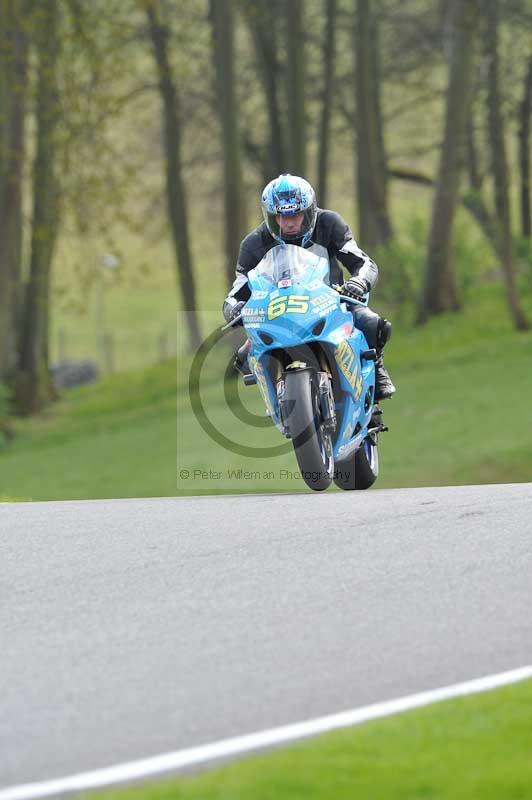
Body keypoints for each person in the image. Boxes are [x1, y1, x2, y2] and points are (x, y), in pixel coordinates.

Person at [222, 174, 395, 400]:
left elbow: (362, 262)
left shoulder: (329, 223)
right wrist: (233, 308)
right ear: (270, 216)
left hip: (331, 302)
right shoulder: (253, 243)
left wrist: (358, 282)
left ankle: (377, 368)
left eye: (295, 214)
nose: (290, 222)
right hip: (277, 313)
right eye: (281, 217)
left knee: (373, 324)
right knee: (244, 357)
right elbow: (238, 288)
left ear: (309, 210)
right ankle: (276, 399)